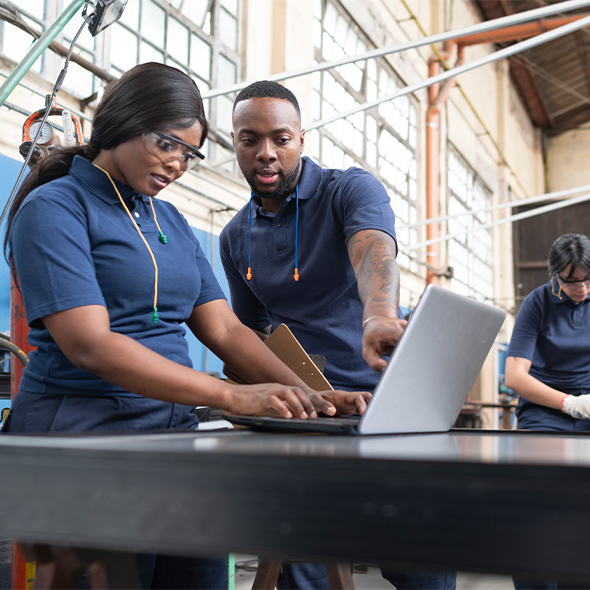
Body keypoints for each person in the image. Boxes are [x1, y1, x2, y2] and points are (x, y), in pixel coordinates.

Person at [2, 63, 369, 590]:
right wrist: (233, 398)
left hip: (172, 443)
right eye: (168, 145)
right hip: (85, 446)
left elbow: (225, 330)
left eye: (188, 154)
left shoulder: (168, 220)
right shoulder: (55, 208)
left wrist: (316, 397)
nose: (177, 164)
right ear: (125, 122)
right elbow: (89, 344)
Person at [219, 80, 456, 590]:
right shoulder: (234, 238)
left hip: (385, 403)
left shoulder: (348, 189)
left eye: (280, 138)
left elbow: (372, 248)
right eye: (249, 139)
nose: (266, 153)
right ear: (233, 142)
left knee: (419, 564)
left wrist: (378, 316)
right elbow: (250, 333)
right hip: (308, 416)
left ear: (301, 139)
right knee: (305, 565)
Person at [506, 233, 590, 589]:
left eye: (588, 279)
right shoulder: (537, 304)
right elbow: (514, 376)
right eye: (573, 282)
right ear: (555, 275)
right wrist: (568, 403)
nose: (583, 289)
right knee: (535, 506)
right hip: (546, 411)